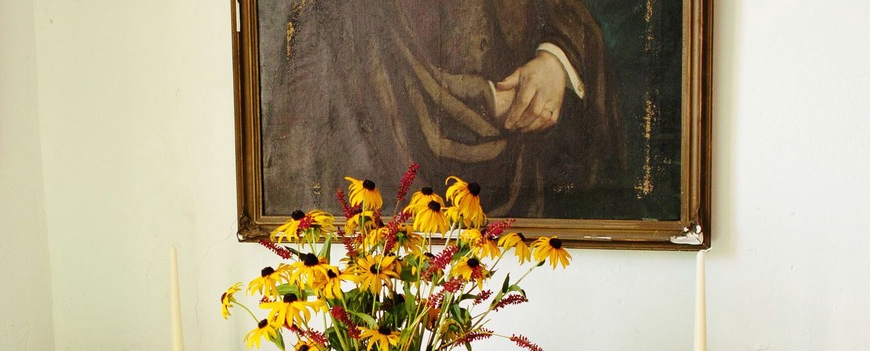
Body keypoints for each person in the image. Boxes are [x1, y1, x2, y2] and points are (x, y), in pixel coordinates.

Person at [261, 0, 626, 218]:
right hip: (382, 168)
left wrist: (554, 60)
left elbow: (566, 16)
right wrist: (483, 100)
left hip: (519, 184)